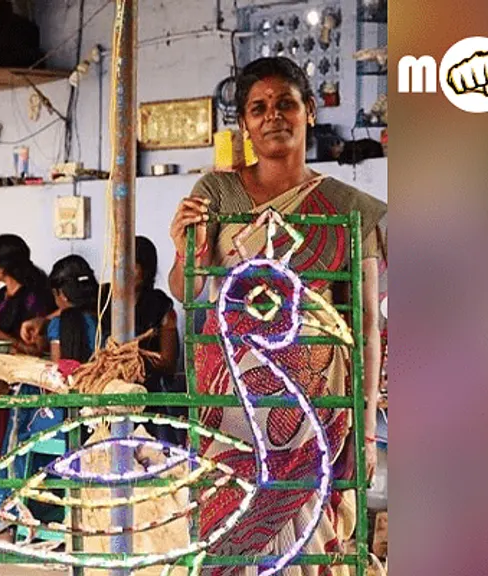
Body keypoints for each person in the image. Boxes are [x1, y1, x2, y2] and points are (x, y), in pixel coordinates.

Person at [166, 57, 386, 575]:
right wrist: (182, 248)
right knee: (227, 526)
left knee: (307, 538)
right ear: (244, 124)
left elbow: (366, 326)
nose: (273, 116)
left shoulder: (349, 208)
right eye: (258, 108)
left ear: (309, 111)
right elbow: (186, 291)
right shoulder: (216, 194)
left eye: (285, 103)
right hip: (230, 401)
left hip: (316, 405)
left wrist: (366, 429)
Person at [0, 255, 104, 531]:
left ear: (59, 295)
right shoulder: (104, 319)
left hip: (59, 421)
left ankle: (7, 515)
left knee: (16, 435)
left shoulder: (60, 325)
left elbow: (58, 373)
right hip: (93, 417)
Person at [131, 237, 185, 445]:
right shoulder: (105, 299)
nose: (124, 271)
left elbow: (169, 362)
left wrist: (132, 359)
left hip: (149, 396)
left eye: (133, 265)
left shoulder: (160, 307)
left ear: (146, 271)